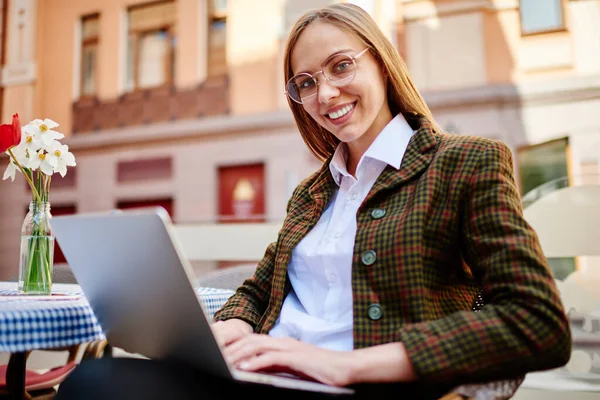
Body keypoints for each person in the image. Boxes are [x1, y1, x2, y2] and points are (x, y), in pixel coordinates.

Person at [56, 3, 571, 399]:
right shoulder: (313, 191)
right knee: (95, 379)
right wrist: (228, 332)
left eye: (341, 66)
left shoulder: (465, 163)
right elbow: (259, 290)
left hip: (349, 384)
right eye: (306, 83)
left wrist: (345, 364)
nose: (325, 94)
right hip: (264, 377)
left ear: (384, 65)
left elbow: (536, 320)